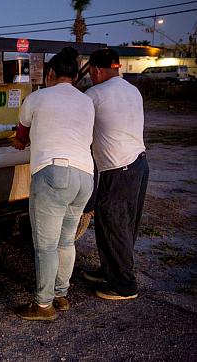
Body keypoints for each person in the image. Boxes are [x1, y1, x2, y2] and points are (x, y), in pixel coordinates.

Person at [13, 47, 95, 321]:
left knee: (46, 245)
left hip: (54, 174)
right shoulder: (86, 101)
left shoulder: (37, 98)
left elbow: (21, 138)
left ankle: (43, 305)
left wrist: (18, 141)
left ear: (50, 73)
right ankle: (61, 294)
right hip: (85, 176)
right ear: (74, 76)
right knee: (65, 240)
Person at [83, 48, 149, 300]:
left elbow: (80, 126)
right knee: (123, 224)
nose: (91, 77)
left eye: (91, 73)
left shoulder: (95, 94)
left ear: (98, 70)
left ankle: (124, 285)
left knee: (114, 225)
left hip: (118, 168)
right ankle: (109, 270)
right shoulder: (132, 89)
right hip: (139, 164)